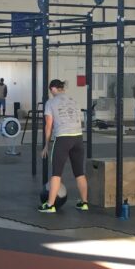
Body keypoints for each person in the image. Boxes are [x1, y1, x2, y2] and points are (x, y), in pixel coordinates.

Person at [39, 79, 89, 213]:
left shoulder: (50, 102)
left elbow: (48, 126)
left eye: (51, 90)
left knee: (56, 174)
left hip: (63, 139)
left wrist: (46, 145)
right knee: (79, 173)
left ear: (53, 89)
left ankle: (50, 205)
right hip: (78, 138)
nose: (51, 93)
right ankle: (84, 203)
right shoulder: (74, 101)